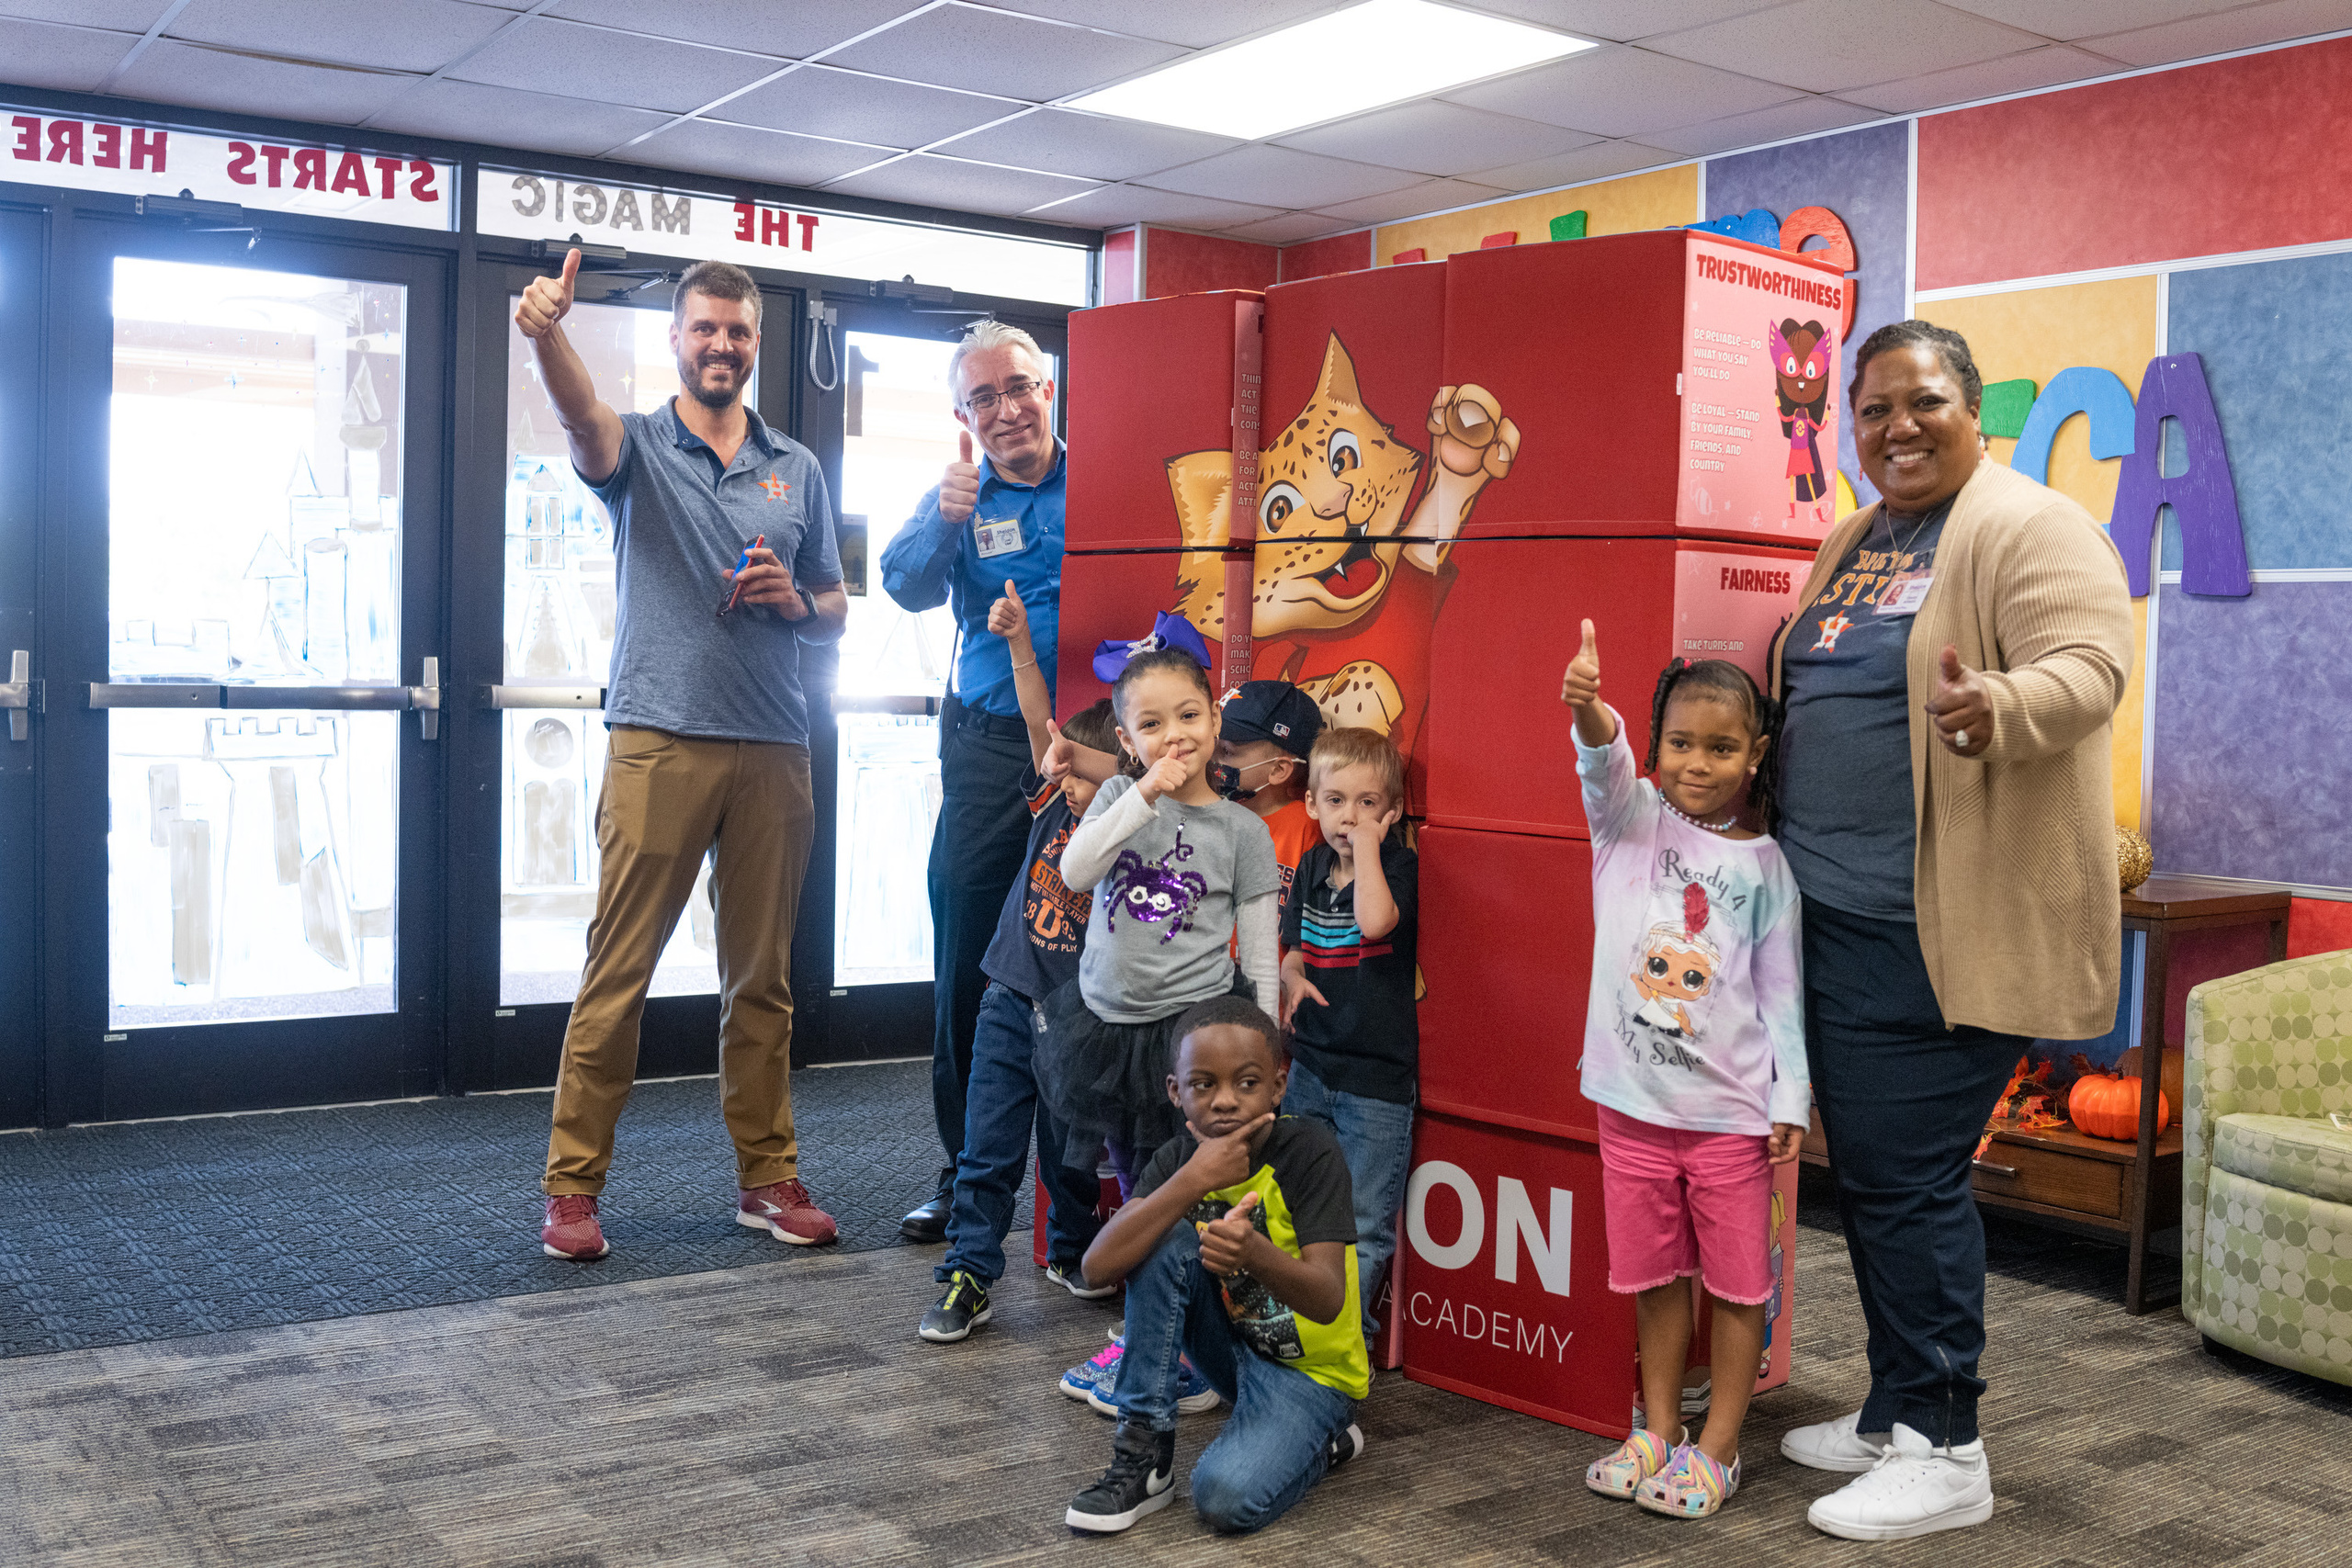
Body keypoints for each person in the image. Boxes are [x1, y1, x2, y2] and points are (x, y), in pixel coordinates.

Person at [1769, 321, 2132, 1541]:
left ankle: (1948, 1443)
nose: (1896, 426)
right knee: (1869, 1176)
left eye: (1921, 401)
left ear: (1974, 408)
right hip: (1831, 918)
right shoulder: (1859, 539)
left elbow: (2091, 665)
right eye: (1871, 409)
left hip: (1939, 928)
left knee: (1911, 1180)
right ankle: (1893, 1407)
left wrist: (2000, 706)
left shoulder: (2029, 524)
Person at [516, 251, 849, 1260]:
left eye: (738, 331)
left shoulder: (796, 467)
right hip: (659, 740)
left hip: (774, 746)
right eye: (703, 328)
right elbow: (581, 423)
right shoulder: (640, 449)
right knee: (617, 975)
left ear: (756, 344)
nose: (721, 345)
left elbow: (833, 605)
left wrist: (796, 604)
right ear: (676, 339)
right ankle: (572, 1191)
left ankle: (767, 1178)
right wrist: (546, 336)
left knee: (763, 983)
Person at [1558, 623, 1807, 1521]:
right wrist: (1590, 707)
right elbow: (1601, 759)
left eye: (1721, 747)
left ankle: (1718, 1447)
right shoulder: (1625, 823)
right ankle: (1656, 1431)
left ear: (1755, 754)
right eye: (1679, 743)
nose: (1697, 763)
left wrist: (1792, 1094)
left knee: (1739, 1285)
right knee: (1653, 1278)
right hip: (1629, 1108)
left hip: (1730, 1120)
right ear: (1655, 748)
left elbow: (1781, 995)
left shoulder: (1766, 867)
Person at [1036, 647, 1281, 1411]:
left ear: (1215, 718)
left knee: (1167, 1187)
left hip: (1191, 1032)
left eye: (1188, 715)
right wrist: (1142, 790)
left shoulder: (1242, 830)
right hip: (1107, 1031)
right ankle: (1160, 1331)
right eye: (1150, 723)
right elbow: (1077, 871)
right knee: (1136, 1181)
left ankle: (1171, 1346)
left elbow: (1262, 952)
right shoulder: (1117, 789)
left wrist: (1267, 1049)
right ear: (1125, 734)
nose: (1173, 734)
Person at [880, 322, 1066, 1245]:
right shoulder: (959, 497)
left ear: (1049, 388)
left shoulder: (1102, 480)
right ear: (963, 415)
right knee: (968, 953)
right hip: (991, 746)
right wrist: (943, 516)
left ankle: (1082, 1191)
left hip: (1102, 746)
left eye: (1018, 388)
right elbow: (903, 587)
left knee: (1096, 957)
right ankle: (962, 1176)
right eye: (983, 398)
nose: (1005, 411)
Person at [1064, 996, 1367, 1536]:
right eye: (1204, 1084)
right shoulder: (1181, 1160)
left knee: (1224, 1500)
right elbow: (1095, 1268)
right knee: (1156, 1238)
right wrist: (1193, 1180)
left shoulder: (1311, 1152)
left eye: (1247, 1083)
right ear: (1176, 1092)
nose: (1225, 1102)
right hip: (1229, 1353)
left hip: (1311, 1375)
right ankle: (1144, 1456)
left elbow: (1328, 1300)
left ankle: (1326, 1440)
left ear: (1278, 1084)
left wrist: (1254, 1253)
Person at [918, 581, 1127, 1343]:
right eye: (1061, 772)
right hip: (1010, 995)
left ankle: (1070, 1250)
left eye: (1083, 776)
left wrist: (1117, 775)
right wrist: (1017, 646)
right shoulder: (1049, 804)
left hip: (1082, 1017)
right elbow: (1042, 720)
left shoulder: (1130, 831)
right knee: (987, 1149)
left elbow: (1141, 785)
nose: (1066, 784)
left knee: (1071, 1155)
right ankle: (968, 1270)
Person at [1275, 726, 1419, 1347]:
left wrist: (1366, 848)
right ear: (1311, 805)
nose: (1349, 816)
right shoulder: (1309, 865)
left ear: (1391, 812)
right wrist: (1290, 976)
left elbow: (1374, 919)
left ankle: (1340, 1354)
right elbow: (1293, 948)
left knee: (1361, 1222)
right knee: (1291, 1205)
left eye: (1367, 804)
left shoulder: (1394, 866)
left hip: (1374, 1081)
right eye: (1335, 801)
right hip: (1310, 1067)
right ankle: (1289, 1332)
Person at [1212, 681, 1323, 900]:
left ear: (1279, 769)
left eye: (1227, 751)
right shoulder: (1207, 810)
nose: (1213, 760)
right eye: (1212, 746)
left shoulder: (1308, 827)